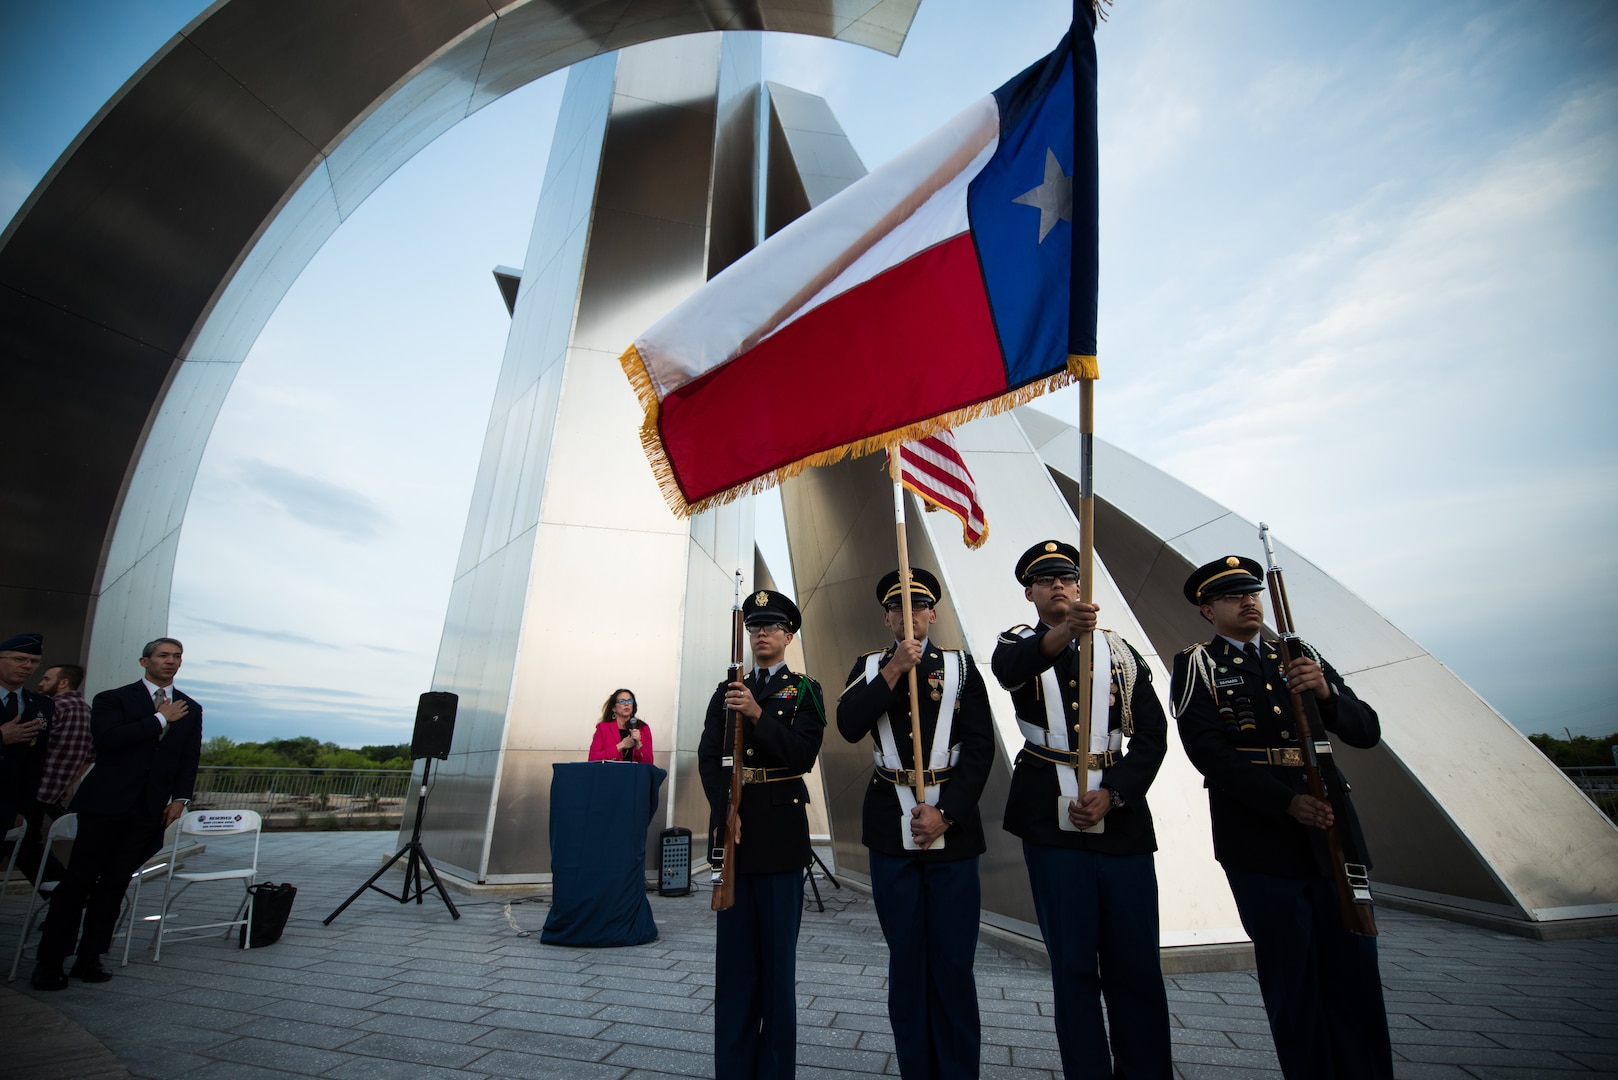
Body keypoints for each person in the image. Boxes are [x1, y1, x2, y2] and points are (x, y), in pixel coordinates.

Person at [1169, 556, 1391, 1080]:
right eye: (1232, 596)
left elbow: (1366, 730)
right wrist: (1285, 802)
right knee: (1293, 980)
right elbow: (1208, 752)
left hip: (1333, 832)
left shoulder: (1300, 656)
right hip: (1261, 837)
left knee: (1355, 975)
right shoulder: (1198, 664)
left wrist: (1324, 692)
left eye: (1252, 592)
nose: (1248, 601)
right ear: (1208, 610)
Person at [990, 541, 1172, 1079]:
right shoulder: (1018, 643)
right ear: (1030, 593)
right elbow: (1010, 671)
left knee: (1136, 963)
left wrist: (1115, 791)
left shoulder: (1120, 652)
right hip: (1050, 822)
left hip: (1122, 823)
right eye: (1046, 581)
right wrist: (1067, 632)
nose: (1059, 586)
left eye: (1068, 578)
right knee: (1072, 965)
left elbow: (1152, 737)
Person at [836, 568, 994, 1080]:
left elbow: (980, 747)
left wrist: (947, 814)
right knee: (907, 961)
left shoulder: (961, 668)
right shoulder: (867, 668)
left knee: (952, 964)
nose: (910, 615)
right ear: (887, 617)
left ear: (932, 613)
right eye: (898, 607)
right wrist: (891, 673)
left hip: (952, 827)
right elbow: (848, 724)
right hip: (890, 823)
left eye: (919, 606)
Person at [698, 589, 825, 1080]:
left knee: (776, 971)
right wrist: (725, 808)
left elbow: (800, 754)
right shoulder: (724, 690)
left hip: (778, 835)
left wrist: (755, 713)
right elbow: (710, 756)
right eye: (754, 627)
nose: (762, 634)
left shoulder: (804, 691)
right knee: (733, 971)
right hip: (733, 834)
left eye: (772, 626)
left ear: (789, 636)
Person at [33, 637, 202, 991]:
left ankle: (90, 956)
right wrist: (159, 718)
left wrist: (181, 799)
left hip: (148, 810)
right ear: (145, 662)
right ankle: (50, 961)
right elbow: (108, 740)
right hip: (104, 805)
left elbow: (188, 758)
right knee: (77, 882)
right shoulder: (113, 699)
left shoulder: (191, 707)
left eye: (177, 656)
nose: (171, 662)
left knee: (114, 884)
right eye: (163, 656)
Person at [12, 662, 94, 885]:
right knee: (26, 844)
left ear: (63, 682)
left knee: (22, 845)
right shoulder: (88, 712)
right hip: (52, 791)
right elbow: (90, 756)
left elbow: (28, 745)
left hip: (28, 788)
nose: (40, 683)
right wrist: (69, 782)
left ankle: (62, 891)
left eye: (47, 679)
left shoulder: (50, 707)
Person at [0, 633, 53, 848]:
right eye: (19, 659)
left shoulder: (41, 705)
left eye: (33, 662)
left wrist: (22, 808)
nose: (27, 666)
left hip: (6, 804)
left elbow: (35, 760)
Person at [587, 688, 653, 763]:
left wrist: (638, 744)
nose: (626, 704)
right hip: (610, 773)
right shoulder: (603, 728)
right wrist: (621, 745)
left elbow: (649, 763)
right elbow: (593, 758)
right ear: (614, 708)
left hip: (634, 773)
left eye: (630, 701)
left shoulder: (643, 728)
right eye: (622, 701)